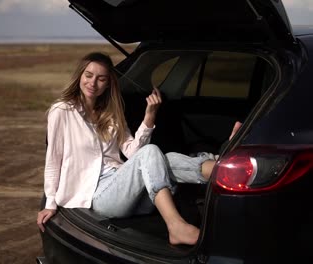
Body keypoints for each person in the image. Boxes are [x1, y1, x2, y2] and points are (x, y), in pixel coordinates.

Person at [36, 52, 218, 246]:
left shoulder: (111, 112)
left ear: (107, 83)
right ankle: (175, 225)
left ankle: (220, 167)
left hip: (129, 191)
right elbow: (53, 161)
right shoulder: (62, 111)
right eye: (88, 75)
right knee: (152, 153)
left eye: (101, 78)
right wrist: (50, 204)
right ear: (80, 76)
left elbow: (132, 151)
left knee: (164, 158)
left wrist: (150, 116)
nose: (93, 83)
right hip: (98, 197)